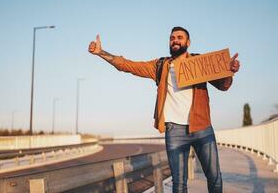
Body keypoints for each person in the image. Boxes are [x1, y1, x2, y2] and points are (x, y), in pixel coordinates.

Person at [88, 26, 240, 193]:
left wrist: (229, 72)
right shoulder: (161, 66)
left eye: (180, 37)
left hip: (202, 128)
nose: (175, 40)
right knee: (179, 184)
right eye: (172, 38)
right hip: (174, 130)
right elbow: (127, 65)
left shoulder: (199, 63)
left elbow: (223, 86)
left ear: (188, 42)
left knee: (215, 177)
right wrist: (102, 52)